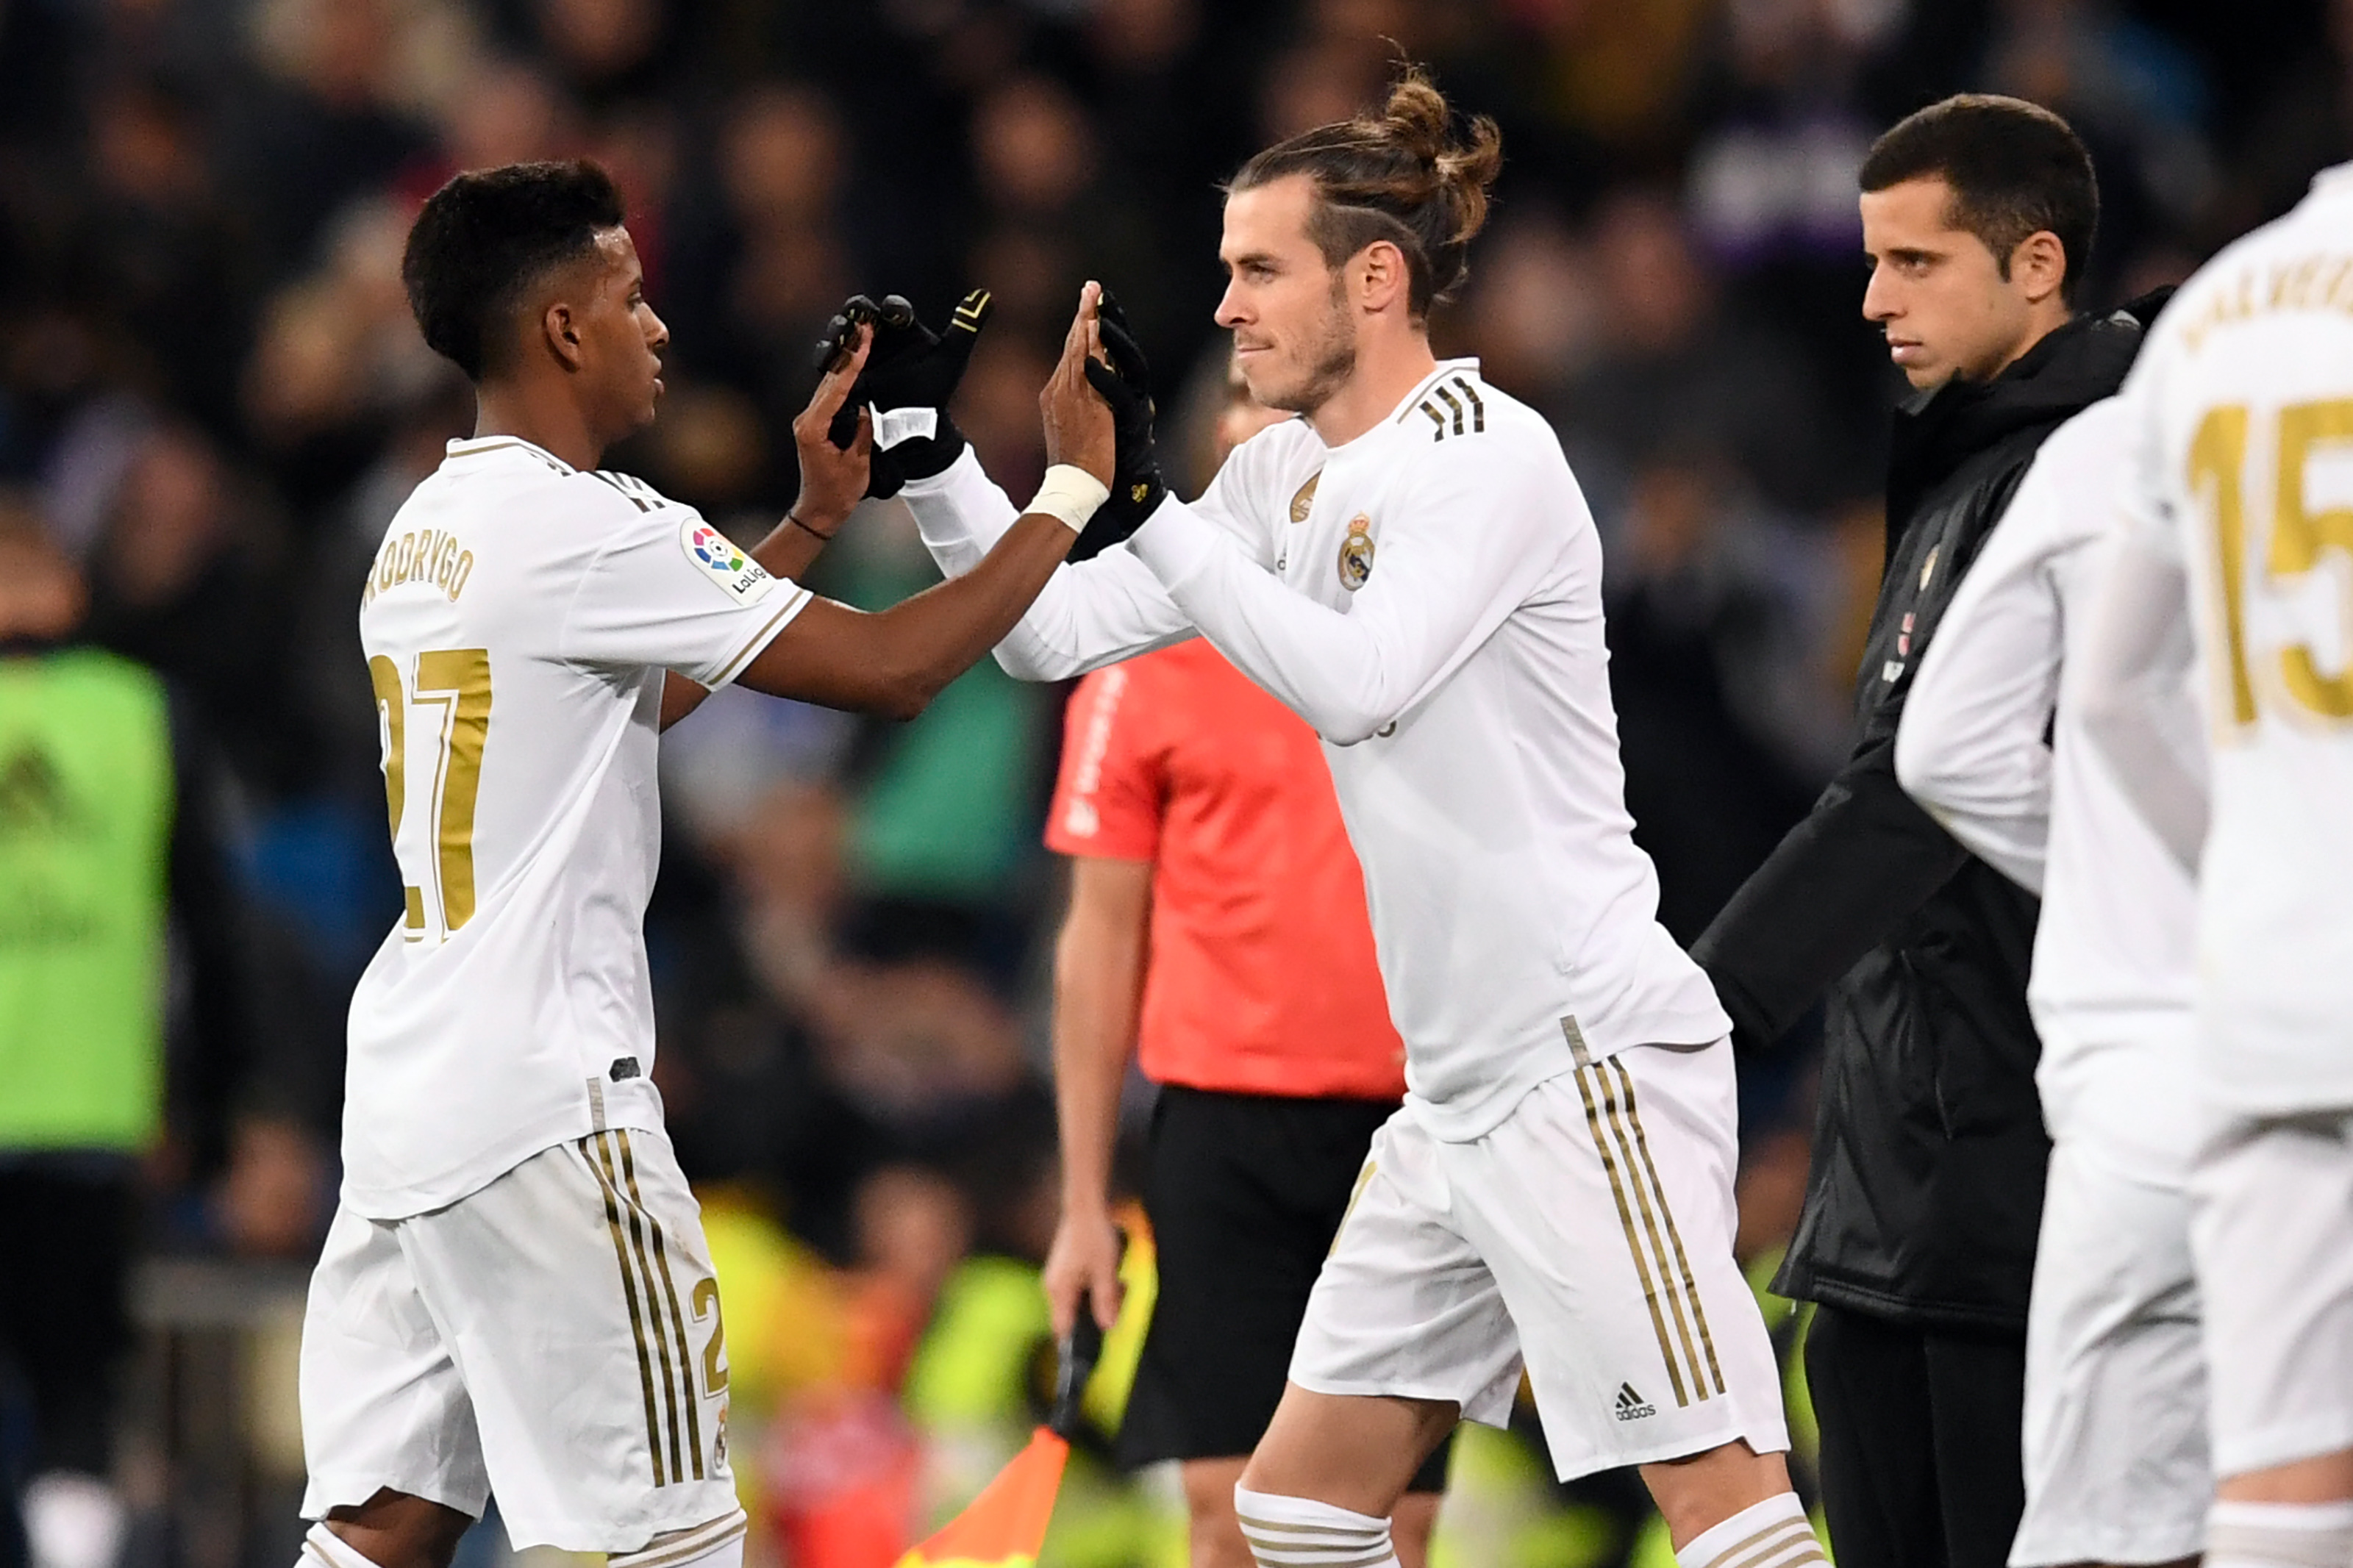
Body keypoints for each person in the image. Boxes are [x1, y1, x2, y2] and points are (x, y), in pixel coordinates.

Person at [862, 69, 1824, 1568]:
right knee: (1298, 1510)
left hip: (1580, 1064)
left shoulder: (1488, 453)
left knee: (1728, 1512)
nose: (1226, 306)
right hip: (1452, 1095)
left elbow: (1364, 683)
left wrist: (1153, 509)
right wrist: (933, 462)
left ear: (1374, 279)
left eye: (1260, 270)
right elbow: (1045, 636)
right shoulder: (1280, 474)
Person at [293, 158, 1126, 1568]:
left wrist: (808, 522)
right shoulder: (588, 522)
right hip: (549, 1103)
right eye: (629, 296)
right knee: (668, 1541)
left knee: (382, 1527)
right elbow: (897, 667)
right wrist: (1068, 492)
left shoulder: (422, 530)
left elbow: (614, 707)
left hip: (410, 1097)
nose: (658, 324)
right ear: (563, 328)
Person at [1685, 95, 2142, 1567]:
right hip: (1896, 1189)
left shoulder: (2091, 476)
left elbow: (1911, 798)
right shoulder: (1970, 459)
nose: (1876, 299)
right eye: (1874, 261)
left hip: (2014, 1193)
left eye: (1917, 262)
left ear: (2036, 264)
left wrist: (1686, 1010)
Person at [1041, 363, 1446, 1568]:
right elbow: (1098, 941)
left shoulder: (1431, 624)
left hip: (1414, 1130)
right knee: (1227, 1516)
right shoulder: (1143, 655)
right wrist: (1082, 1203)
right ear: (1217, 452)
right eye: (1253, 413)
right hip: (1223, 1131)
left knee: (1390, 1525)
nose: (1278, 436)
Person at [2077, 160, 2353, 1568]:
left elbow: (2111, 692)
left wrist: (2252, 863)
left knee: (2281, 1484)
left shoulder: (2215, 314)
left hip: (2268, 993)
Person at [1893, 360, 2206, 1568]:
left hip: (2130, 1088)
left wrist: (2110, 870)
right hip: (2307, 1048)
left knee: (2101, 1532)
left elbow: (1946, 748)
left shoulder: (2102, 452)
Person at [0, 507, 316, 1568]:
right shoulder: (138, 716)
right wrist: (222, 1114)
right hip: (88, 1106)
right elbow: (212, 930)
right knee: (78, 1387)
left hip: (86, 1113)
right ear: (67, 590)